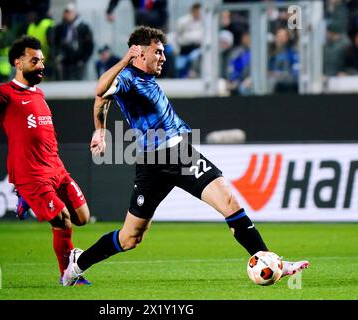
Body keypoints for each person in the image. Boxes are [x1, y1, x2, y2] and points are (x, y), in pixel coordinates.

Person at [62, 26, 309, 284]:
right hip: (153, 162)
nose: (163, 57)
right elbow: (100, 91)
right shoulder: (126, 77)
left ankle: (271, 259)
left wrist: (100, 129)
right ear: (139, 52)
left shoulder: (146, 79)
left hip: (180, 153)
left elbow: (103, 101)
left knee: (229, 200)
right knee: (130, 238)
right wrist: (123, 65)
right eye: (157, 52)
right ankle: (78, 263)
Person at [0, 36, 91, 286]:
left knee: (83, 217)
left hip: (56, 168)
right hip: (31, 175)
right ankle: (68, 275)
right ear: (18, 63)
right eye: (34, 61)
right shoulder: (6, 94)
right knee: (63, 219)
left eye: (42, 60)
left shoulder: (40, 93)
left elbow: (43, 131)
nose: (41, 65)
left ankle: (28, 201)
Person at [53, 3, 94, 80]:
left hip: (79, 62)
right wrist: (58, 59)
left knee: (79, 84)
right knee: (65, 84)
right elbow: (55, 44)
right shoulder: (60, 28)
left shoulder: (84, 27)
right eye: (66, 12)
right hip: (65, 62)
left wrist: (84, 59)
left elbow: (89, 45)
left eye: (70, 12)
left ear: (75, 13)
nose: (68, 14)